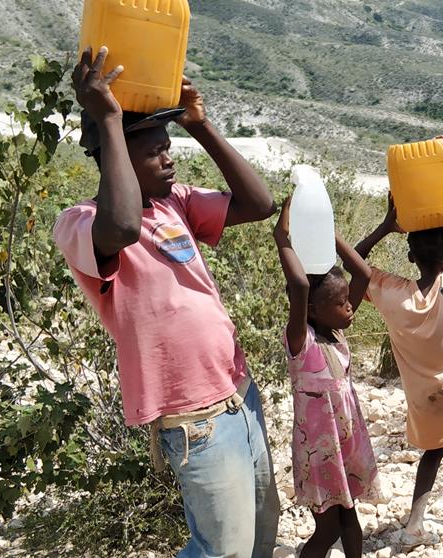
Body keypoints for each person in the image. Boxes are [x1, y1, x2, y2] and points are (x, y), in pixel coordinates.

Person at [54, 47, 278, 557]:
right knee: (222, 549)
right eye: (154, 149)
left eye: (168, 144)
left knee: (261, 531)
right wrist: (109, 117)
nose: (168, 156)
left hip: (238, 395)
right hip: (191, 415)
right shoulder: (80, 222)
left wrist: (201, 125)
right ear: (114, 154)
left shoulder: (175, 203)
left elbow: (259, 204)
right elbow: (124, 226)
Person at [355, 136, 443, 544]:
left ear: (409, 255)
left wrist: (384, 225)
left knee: (439, 450)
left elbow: (353, 261)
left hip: (424, 397)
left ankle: (415, 523)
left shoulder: (395, 295)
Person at [275, 197, 379, 558]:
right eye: (341, 303)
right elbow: (300, 287)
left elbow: (363, 275)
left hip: (344, 441)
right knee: (328, 527)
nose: (350, 306)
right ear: (314, 311)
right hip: (319, 450)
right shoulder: (301, 342)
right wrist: (282, 238)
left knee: (350, 517)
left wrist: (328, 235)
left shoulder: (336, 333)